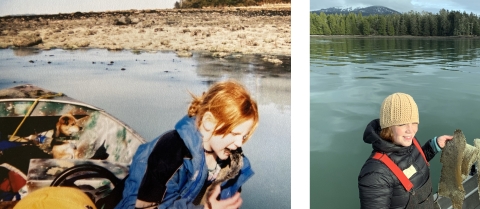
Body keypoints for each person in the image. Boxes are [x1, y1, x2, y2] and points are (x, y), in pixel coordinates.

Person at [115, 80, 259, 209]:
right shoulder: (169, 152)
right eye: (234, 134)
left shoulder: (231, 162)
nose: (239, 143)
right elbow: (142, 206)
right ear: (209, 122)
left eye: (244, 136)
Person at [358, 92, 453, 209]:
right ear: (388, 127)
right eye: (402, 124)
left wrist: (434, 146)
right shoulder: (375, 174)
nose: (410, 130)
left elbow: (413, 163)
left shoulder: (410, 142)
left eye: (414, 122)